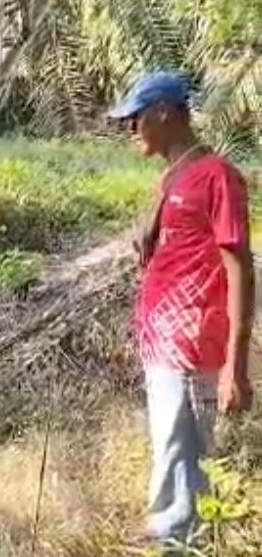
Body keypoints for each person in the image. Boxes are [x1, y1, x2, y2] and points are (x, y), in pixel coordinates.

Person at [108, 71, 254, 550]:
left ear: (165, 113)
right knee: (169, 439)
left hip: (192, 336)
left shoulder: (217, 176)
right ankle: (170, 524)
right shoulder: (174, 175)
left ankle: (179, 538)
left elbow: (239, 269)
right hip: (164, 338)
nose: (132, 130)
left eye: (136, 119)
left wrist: (236, 363)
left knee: (183, 443)